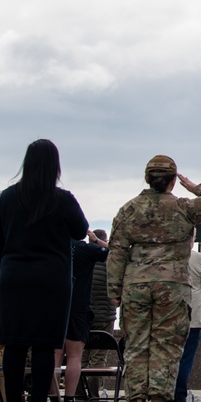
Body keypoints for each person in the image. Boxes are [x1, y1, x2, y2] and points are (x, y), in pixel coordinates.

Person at [107, 155, 201, 402]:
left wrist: (114, 289)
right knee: (167, 349)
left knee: (136, 348)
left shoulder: (129, 209)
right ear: (173, 181)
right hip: (172, 287)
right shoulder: (185, 208)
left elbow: (117, 251)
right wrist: (198, 188)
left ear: (147, 179)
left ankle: (137, 398)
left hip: (136, 285)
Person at [0, 140, 89, 402]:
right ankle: (39, 399)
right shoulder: (63, 200)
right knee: (44, 345)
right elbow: (80, 230)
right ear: (55, 167)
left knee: (14, 344)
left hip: (13, 278)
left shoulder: (6, 198)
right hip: (52, 281)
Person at [52, 231, 110, 402]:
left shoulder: (54, 247)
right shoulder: (86, 249)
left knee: (54, 356)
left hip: (55, 307)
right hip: (79, 307)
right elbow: (117, 252)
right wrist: (97, 240)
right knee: (74, 356)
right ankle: (70, 397)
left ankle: (54, 397)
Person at [174, 234, 201, 402]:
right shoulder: (200, 258)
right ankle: (179, 396)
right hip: (193, 318)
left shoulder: (167, 256)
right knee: (185, 360)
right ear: (192, 239)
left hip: (168, 318)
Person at [80, 228, 115, 398]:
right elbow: (114, 252)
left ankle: (78, 396)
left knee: (81, 359)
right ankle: (94, 396)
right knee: (98, 360)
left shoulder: (84, 259)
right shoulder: (109, 261)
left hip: (84, 316)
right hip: (105, 317)